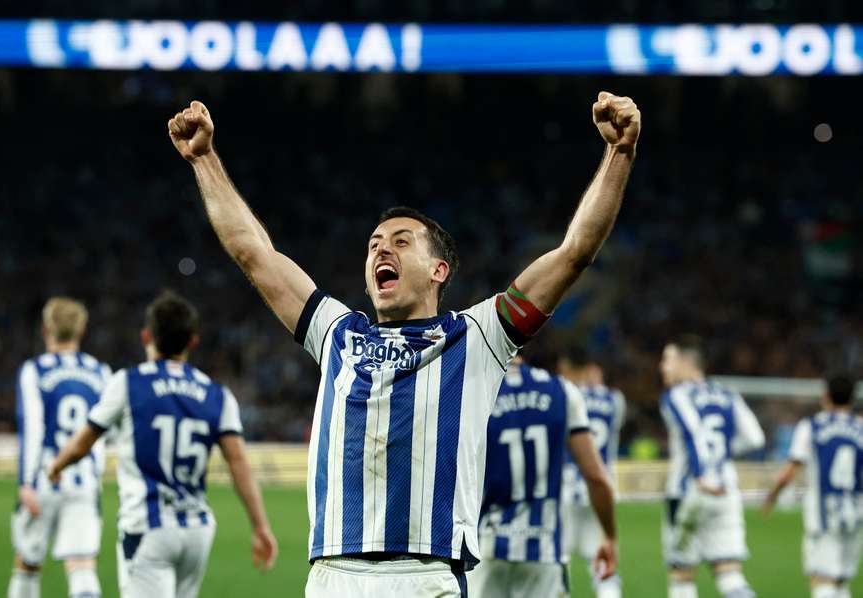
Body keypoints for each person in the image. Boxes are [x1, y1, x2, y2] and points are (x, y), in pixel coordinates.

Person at [166, 90, 640, 597]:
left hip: (425, 577)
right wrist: (204, 159)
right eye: (373, 244)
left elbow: (574, 253)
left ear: (439, 270)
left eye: (400, 241)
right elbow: (254, 254)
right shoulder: (338, 333)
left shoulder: (477, 336)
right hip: (333, 576)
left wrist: (619, 155)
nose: (380, 250)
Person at [47, 291, 278, 598]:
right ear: (193, 341)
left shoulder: (128, 383)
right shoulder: (217, 394)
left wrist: (56, 465)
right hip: (197, 530)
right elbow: (238, 463)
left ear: (146, 335)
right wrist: (260, 526)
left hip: (148, 527)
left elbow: (83, 442)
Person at [469, 356, 617, 598]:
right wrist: (610, 536)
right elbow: (596, 476)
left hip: (486, 542)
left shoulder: (473, 390)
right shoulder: (562, 390)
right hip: (544, 547)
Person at [8, 297, 109, 598]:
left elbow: (33, 427)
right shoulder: (100, 371)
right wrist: (96, 475)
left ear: (45, 328)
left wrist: (26, 482)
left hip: (43, 480)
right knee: (82, 565)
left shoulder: (35, 370)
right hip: (84, 482)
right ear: (82, 330)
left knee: (27, 562)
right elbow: (102, 431)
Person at [659, 335, 765, 598]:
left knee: (681, 575)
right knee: (730, 574)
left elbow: (694, 433)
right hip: (726, 490)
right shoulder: (727, 394)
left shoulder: (677, 395)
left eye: (667, 360)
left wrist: (702, 473)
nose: (663, 367)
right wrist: (722, 456)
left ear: (686, 363)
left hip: (689, 491)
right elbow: (755, 438)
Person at [761, 374, 863, 598]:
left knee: (822, 579)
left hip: (823, 516)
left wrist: (772, 496)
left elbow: (791, 469)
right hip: (855, 514)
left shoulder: (812, 426)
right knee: (840, 581)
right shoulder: (860, 428)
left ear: (825, 396)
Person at [558, 348, 625, 598]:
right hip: (601, 490)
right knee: (603, 564)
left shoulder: (564, 395)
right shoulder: (615, 400)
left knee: (556, 564)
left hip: (566, 487)